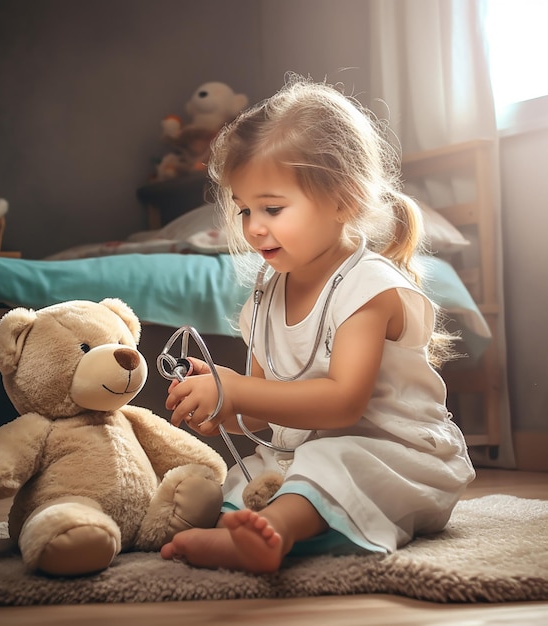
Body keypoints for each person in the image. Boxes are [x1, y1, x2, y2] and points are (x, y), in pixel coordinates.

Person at [160, 75, 475, 574]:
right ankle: (245, 530)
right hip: (312, 451)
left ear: (343, 200)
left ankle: (275, 535)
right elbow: (266, 412)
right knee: (245, 479)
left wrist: (239, 391)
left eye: (273, 207)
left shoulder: (365, 287)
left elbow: (343, 401)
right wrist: (226, 405)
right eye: (244, 210)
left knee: (328, 465)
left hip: (397, 458)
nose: (254, 226)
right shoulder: (267, 291)